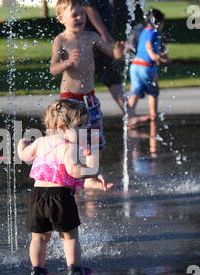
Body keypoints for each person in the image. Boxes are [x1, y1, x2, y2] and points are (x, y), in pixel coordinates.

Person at [17, 99, 108, 275]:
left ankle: (37, 271)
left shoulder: (41, 141)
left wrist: (21, 144)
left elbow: (24, 155)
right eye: (79, 126)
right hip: (60, 197)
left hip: (37, 197)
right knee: (70, 236)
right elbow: (74, 171)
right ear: (61, 126)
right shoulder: (69, 147)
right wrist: (94, 171)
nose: (83, 131)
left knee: (39, 238)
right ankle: (74, 270)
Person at [50, 0, 123, 190]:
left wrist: (120, 51)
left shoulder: (91, 36)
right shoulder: (61, 40)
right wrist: (67, 63)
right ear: (61, 19)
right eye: (74, 14)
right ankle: (67, 173)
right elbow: (53, 68)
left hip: (88, 97)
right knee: (70, 138)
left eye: (82, 14)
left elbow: (112, 54)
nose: (79, 18)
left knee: (93, 137)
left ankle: (90, 177)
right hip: (69, 98)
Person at [82, 0, 125, 114]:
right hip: (93, 40)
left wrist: (118, 51)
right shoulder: (91, 36)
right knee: (106, 74)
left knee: (110, 74)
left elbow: (115, 55)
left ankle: (128, 112)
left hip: (97, 39)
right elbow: (89, 7)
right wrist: (104, 33)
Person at [127, 8, 169, 127]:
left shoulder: (145, 30)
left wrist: (161, 56)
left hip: (135, 66)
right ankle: (153, 116)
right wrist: (154, 56)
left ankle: (129, 117)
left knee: (135, 92)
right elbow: (148, 45)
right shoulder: (154, 31)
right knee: (153, 91)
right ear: (159, 22)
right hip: (146, 66)